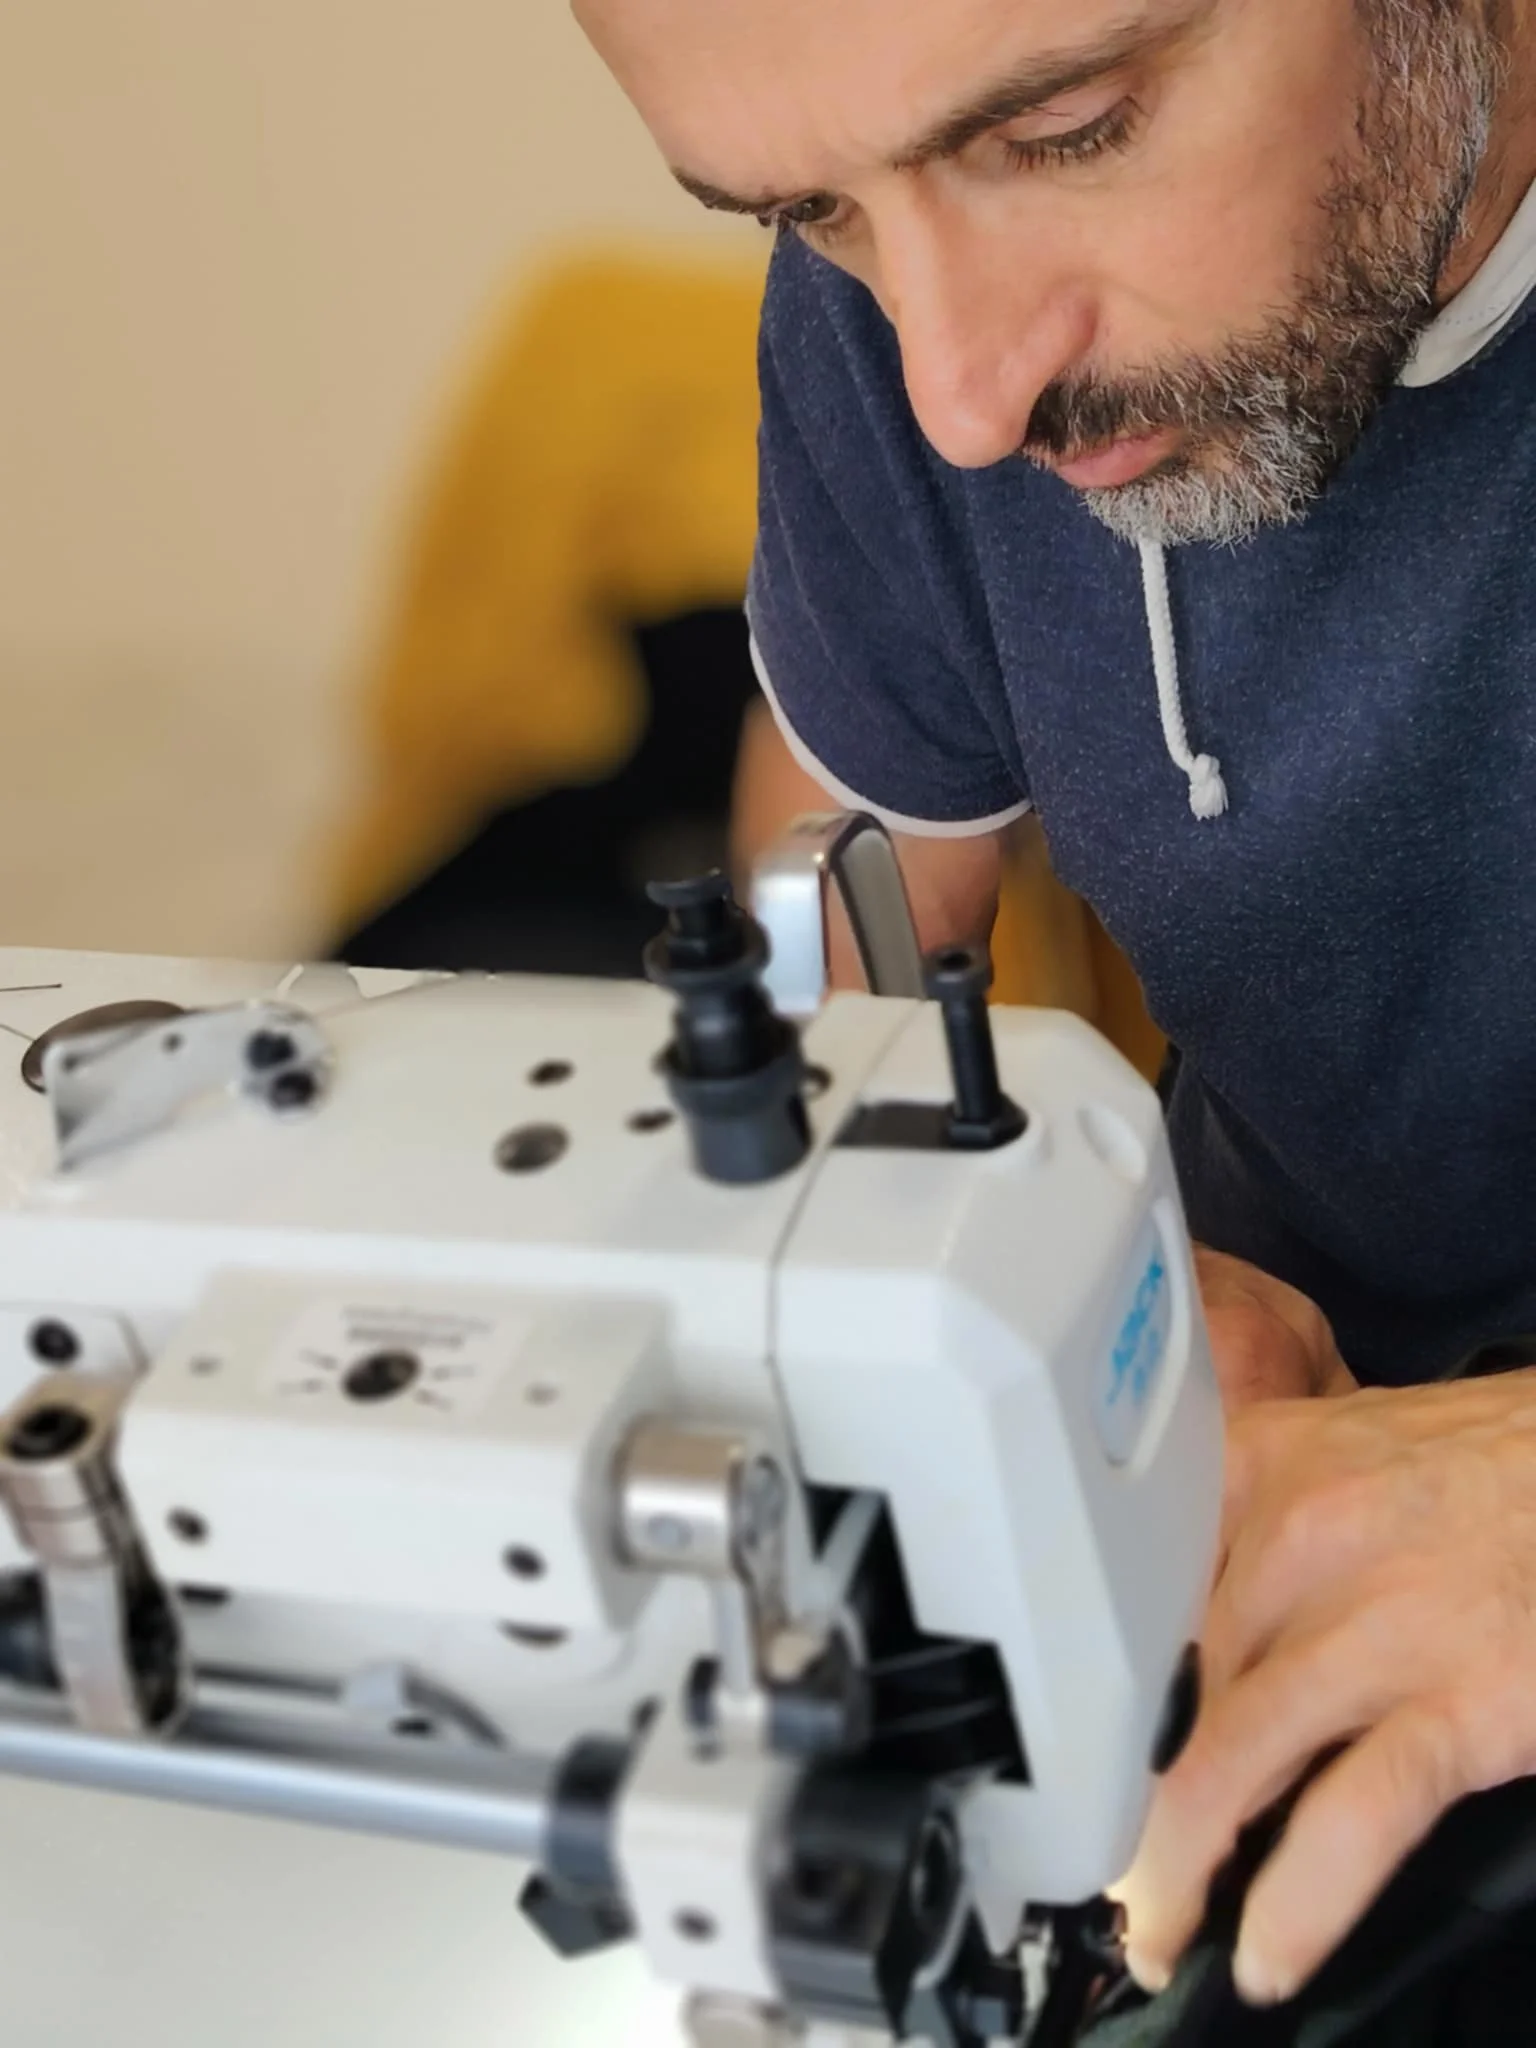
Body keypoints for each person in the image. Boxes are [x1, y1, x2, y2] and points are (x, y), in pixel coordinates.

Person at [575, 0, 1536, 2025]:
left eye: (1073, 131)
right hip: (1251, 1492)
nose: (958, 393)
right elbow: (831, 900)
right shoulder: (904, 329)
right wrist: (1011, 1278)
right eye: (813, 213)